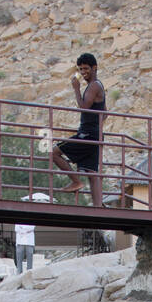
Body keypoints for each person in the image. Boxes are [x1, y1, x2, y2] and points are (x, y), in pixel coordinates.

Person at [50, 53, 106, 208]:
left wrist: (76, 89)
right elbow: (105, 112)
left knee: (53, 152)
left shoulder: (94, 85)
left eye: (86, 68)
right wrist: (97, 127)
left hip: (88, 134)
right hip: (95, 134)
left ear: (94, 68)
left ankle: (76, 181)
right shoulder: (98, 85)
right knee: (92, 173)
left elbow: (84, 107)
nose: (83, 72)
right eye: (80, 69)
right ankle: (98, 208)